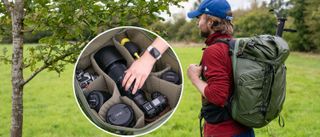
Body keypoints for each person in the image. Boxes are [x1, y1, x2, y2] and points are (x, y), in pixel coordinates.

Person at [186, 0, 255, 137]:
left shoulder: (214, 51)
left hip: (223, 132)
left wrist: (194, 78)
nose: (197, 23)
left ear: (210, 22)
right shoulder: (235, 46)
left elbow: (218, 96)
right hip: (244, 128)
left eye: (199, 18)